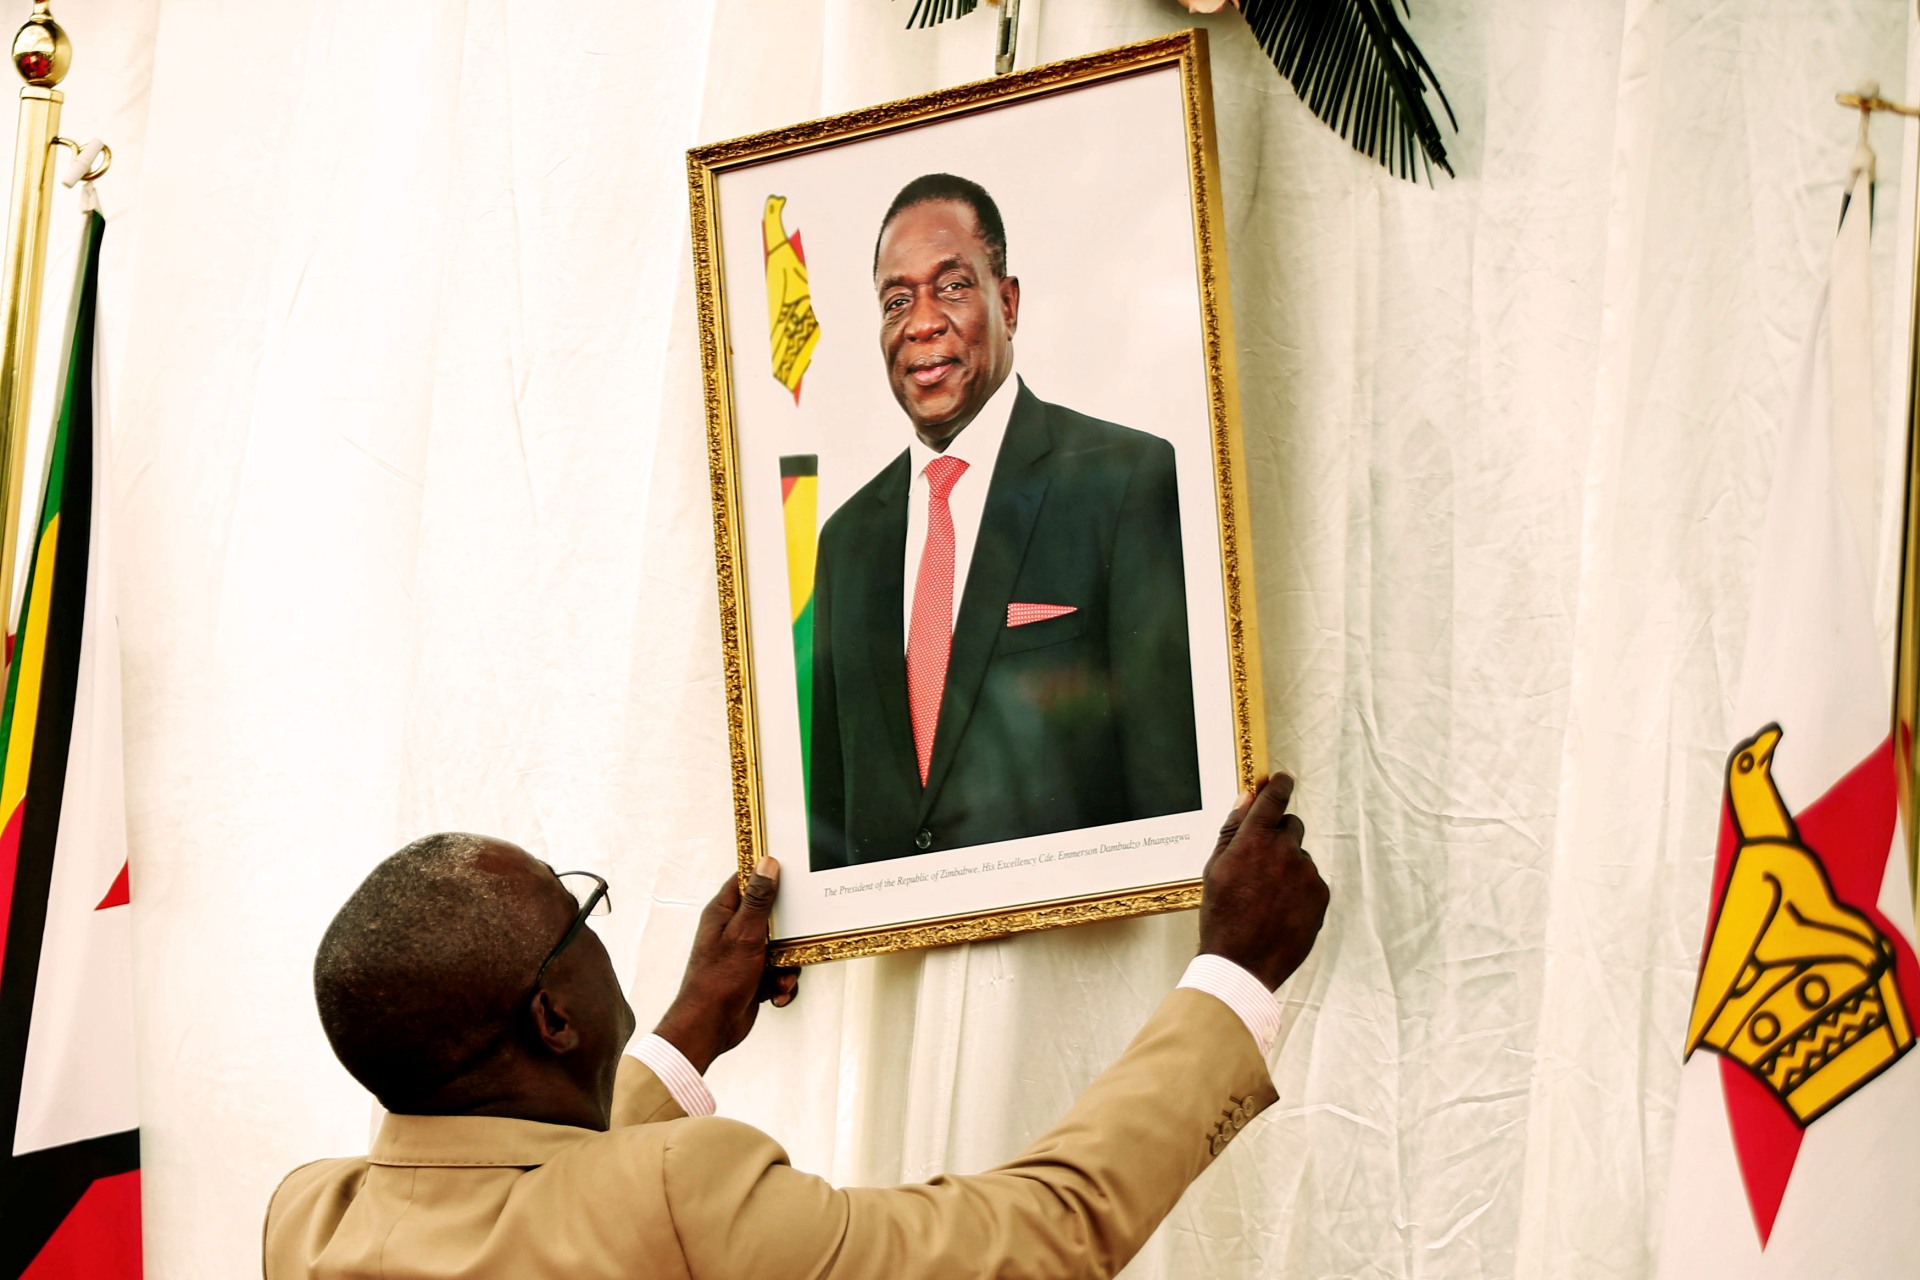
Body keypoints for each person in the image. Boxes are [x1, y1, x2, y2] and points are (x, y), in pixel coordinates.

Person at [264, 772, 1328, 1279]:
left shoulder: (310, 1220)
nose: (598, 928)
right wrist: (1232, 972)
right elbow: (1043, 1231)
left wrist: (683, 1035)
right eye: (577, 910)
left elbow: (532, 1195)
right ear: (550, 1016)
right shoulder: (683, 1190)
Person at [808, 173, 1202, 870]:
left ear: (1008, 302)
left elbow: (1168, 785)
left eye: (952, 286)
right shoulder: (845, 542)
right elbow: (833, 822)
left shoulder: (1123, 483)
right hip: (901, 969)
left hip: (1073, 959)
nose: (922, 321)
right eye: (897, 300)